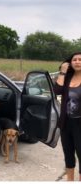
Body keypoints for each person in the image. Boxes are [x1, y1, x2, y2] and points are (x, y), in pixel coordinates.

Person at [54, 52, 81, 181]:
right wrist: (63, 72)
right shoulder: (68, 77)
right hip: (66, 123)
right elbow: (57, 91)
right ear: (70, 63)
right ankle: (70, 180)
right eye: (74, 59)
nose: (77, 61)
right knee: (68, 155)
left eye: (80, 59)